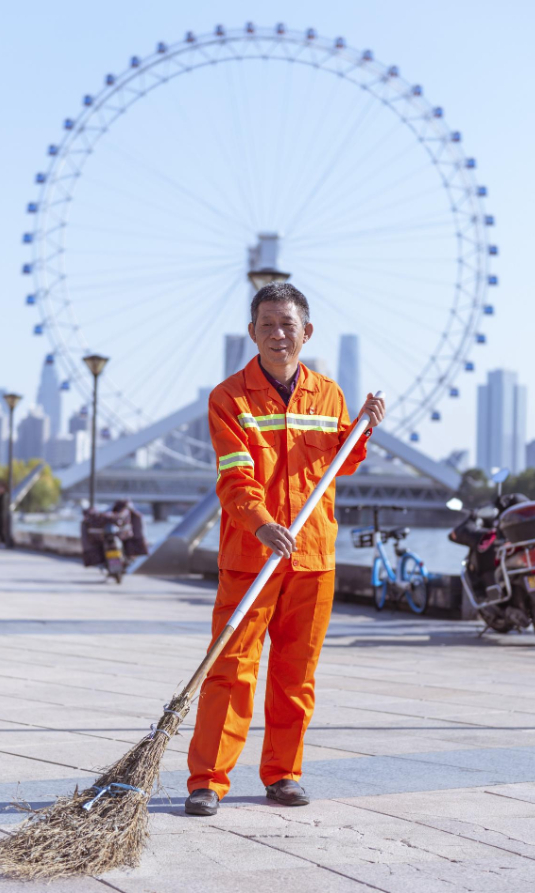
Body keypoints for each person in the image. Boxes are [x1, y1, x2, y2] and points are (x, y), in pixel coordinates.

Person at [185, 282, 385, 816]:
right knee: (230, 669)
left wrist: (362, 430)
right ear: (251, 333)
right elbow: (234, 478)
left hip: (313, 556)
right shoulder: (229, 398)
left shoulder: (329, 395)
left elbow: (340, 463)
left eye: (288, 324)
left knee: (296, 674)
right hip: (252, 556)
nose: (278, 334)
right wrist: (262, 524)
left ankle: (283, 774)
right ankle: (208, 780)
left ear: (307, 332)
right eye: (267, 324)